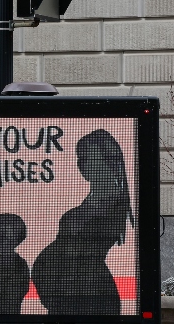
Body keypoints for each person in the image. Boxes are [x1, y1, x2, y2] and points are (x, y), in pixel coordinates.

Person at [32, 129, 135, 315]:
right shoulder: (89, 203)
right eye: (80, 159)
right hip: (65, 299)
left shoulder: (117, 205)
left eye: (87, 158)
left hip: (93, 298)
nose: (82, 165)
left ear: (108, 162)